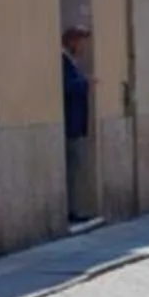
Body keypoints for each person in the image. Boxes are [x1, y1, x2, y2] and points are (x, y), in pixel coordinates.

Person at [62, 27, 95, 223]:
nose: (83, 47)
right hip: (70, 123)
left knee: (75, 169)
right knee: (72, 169)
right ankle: (71, 211)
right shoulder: (63, 61)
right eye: (81, 42)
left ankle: (75, 208)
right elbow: (66, 86)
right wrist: (85, 83)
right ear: (72, 41)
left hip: (76, 123)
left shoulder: (70, 62)